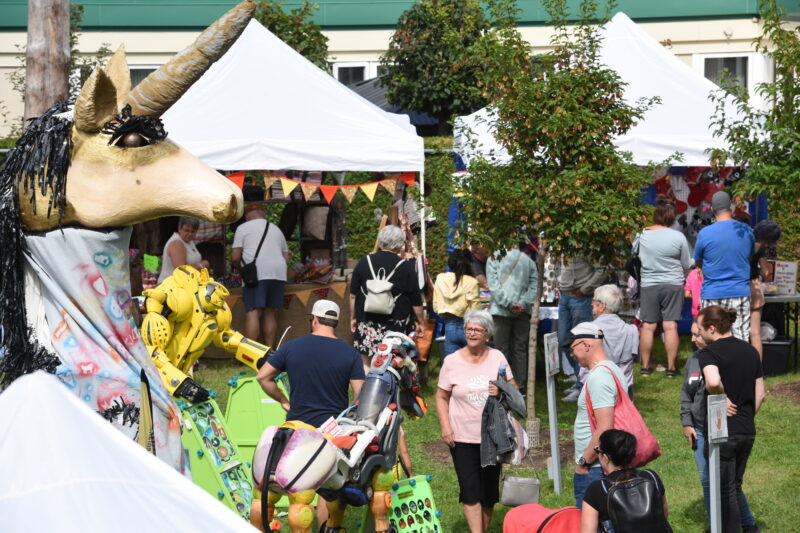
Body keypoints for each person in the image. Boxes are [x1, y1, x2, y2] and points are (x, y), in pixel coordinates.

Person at [256, 299, 366, 528]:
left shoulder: (292, 347)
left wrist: (283, 400)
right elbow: (360, 398)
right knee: (326, 488)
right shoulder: (350, 354)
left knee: (288, 482)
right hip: (331, 433)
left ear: (313, 320)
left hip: (296, 429)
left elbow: (262, 377)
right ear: (335, 323)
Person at [436, 309, 518, 533]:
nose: (471, 333)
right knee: (470, 491)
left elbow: (514, 390)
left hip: (492, 436)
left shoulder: (497, 357)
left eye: (477, 330)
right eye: (468, 329)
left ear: (488, 335)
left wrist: (501, 391)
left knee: (488, 493)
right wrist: (445, 426)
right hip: (461, 436)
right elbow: (441, 397)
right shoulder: (451, 361)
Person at [681, 318, 757, 531]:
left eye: (697, 334)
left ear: (710, 332)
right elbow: (686, 394)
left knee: (729, 483)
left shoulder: (727, 357)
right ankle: (716, 523)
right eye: (692, 334)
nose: (694, 339)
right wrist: (687, 422)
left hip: (725, 428)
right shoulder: (694, 360)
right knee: (708, 480)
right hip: (699, 428)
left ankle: (745, 524)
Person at [696, 305, 765, 533]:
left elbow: (713, 382)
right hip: (747, 429)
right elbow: (761, 393)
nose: (697, 333)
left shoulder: (709, 352)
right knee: (734, 485)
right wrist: (745, 416)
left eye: (700, 328)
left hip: (722, 431)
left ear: (712, 328)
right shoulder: (750, 351)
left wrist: (720, 398)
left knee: (724, 490)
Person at [565, 322, 626, 508]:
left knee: (590, 524)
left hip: (596, 468)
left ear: (586, 344)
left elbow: (605, 427)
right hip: (603, 464)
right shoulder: (612, 370)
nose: (571, 354)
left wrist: (584, 461)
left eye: (572, 348)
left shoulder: (600, 376)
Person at [350, 225, 425, 370]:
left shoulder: (364, 262)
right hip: (396, 324)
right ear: (401, 244)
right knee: (397, 360)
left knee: (365, 360)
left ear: (380, 240)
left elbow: (353, 295)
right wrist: (421, 322)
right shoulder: (406, 267)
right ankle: (391, 388)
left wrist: (353, 318)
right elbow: (416, 301)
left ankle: (367, 389)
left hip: (367, 321)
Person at [635, 196, 692, 378]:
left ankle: (645, 367)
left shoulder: (642, 235)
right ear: (672, 217)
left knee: (648, 326)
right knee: (670, 326)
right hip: (673, 284)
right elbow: (685, 263)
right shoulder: (678, 237)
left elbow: (634, 255)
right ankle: (671, 367)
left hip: (649, 284)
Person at [580, 429, 671, 533]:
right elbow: (663, 514)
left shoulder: (596, 489)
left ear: (605, 457)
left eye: (598, 451)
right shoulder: (651, 476)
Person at [694, 191, 755, 341]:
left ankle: (713, 365)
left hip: (712, 293)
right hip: (739, 291)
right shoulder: (746, 231)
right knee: (740, 338)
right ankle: (739, 365)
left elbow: (698, 262)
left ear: (712, 210)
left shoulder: (705, 233)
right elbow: (750, 256)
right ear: (732, 208)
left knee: (711, 339)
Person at [232, 197, 289, 348]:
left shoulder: (243, 228)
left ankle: (250, 351)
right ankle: (269, 350)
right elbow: (286, 257)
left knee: (253, 312)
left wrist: (241, 270)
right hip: (278, 272)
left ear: (247, 216)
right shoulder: (276, 229)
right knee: (270, 311)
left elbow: (235, 257)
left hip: (257, 273)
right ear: (263, 214)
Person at [487, 245, 538, 394]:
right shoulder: (528, 260)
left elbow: (493, 285)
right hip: (522, 311)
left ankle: (502, 385)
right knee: (520, 349)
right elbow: (534, 285)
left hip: (501, 310)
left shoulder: (494, 257)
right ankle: (520, 386)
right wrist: (523, 303)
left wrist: (508, 304)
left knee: (500, 349)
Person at [558, 256, 607, 402]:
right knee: (563, 340)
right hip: (565, 296)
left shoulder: (584, 243)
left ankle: (582, 386)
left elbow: (602, 269)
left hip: (580, 298)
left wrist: (585, 289)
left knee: (581, 343)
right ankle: (579, 378)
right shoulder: (563, 240)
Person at [590, 284, 638, 399]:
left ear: (601, 306)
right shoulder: (631, 330)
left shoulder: (589, 331)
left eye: (593, 301)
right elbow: (635, 359)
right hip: (625, 390)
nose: (591, 303)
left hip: (597, 390)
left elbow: (583, 368)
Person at [433, 249, 482, 357]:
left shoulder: (440, 279)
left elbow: (436, 306)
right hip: (469, 328)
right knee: (471, 368)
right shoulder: (472, 282)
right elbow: (475, 312)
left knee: (453, 368)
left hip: (449, 327)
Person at [749, 220, 781, 358]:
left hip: (736, 286)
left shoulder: (742, 239)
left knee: (738, 331)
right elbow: (766, 272)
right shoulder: (760, 248)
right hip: (754, 286)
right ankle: (757, 372)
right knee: (755, 333)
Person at [157, 217, 209, 284]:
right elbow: (181, 270)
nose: (190, 234)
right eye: (187, 230)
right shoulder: (176, 243)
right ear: (180, 229)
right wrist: (201, 265)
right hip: (170, 286)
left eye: (193, 231)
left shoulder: (189, 241)